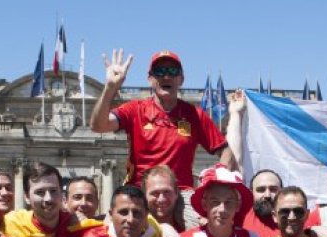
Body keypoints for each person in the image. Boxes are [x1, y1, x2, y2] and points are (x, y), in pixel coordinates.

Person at [92, 49, 234, 226]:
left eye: (172, 71)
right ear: (150, 79)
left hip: (181, 194)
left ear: (181, 79)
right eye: (159, 71)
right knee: (110, 234)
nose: (166, 76)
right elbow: (98, 125)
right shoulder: (135, 109)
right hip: (139, 191)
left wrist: (213, 181)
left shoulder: (195, 115)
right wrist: (110, 88)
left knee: (205, 229)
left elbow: (226, 150)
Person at [180, 165, 263, 237]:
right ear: (204, 205)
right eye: (215, 202)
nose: (222, 209)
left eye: (229, 202)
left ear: (238, 206)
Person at [80, 185, 161, 237]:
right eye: (123, 212)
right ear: (111, 215)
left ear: (146, 215)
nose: (130, 219)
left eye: (137, 213)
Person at [243, 169, 282, 237]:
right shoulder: (239, 215)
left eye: (273, 189)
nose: (267, 195)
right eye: (261, 190)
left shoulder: (297, 219)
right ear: (251, 193)